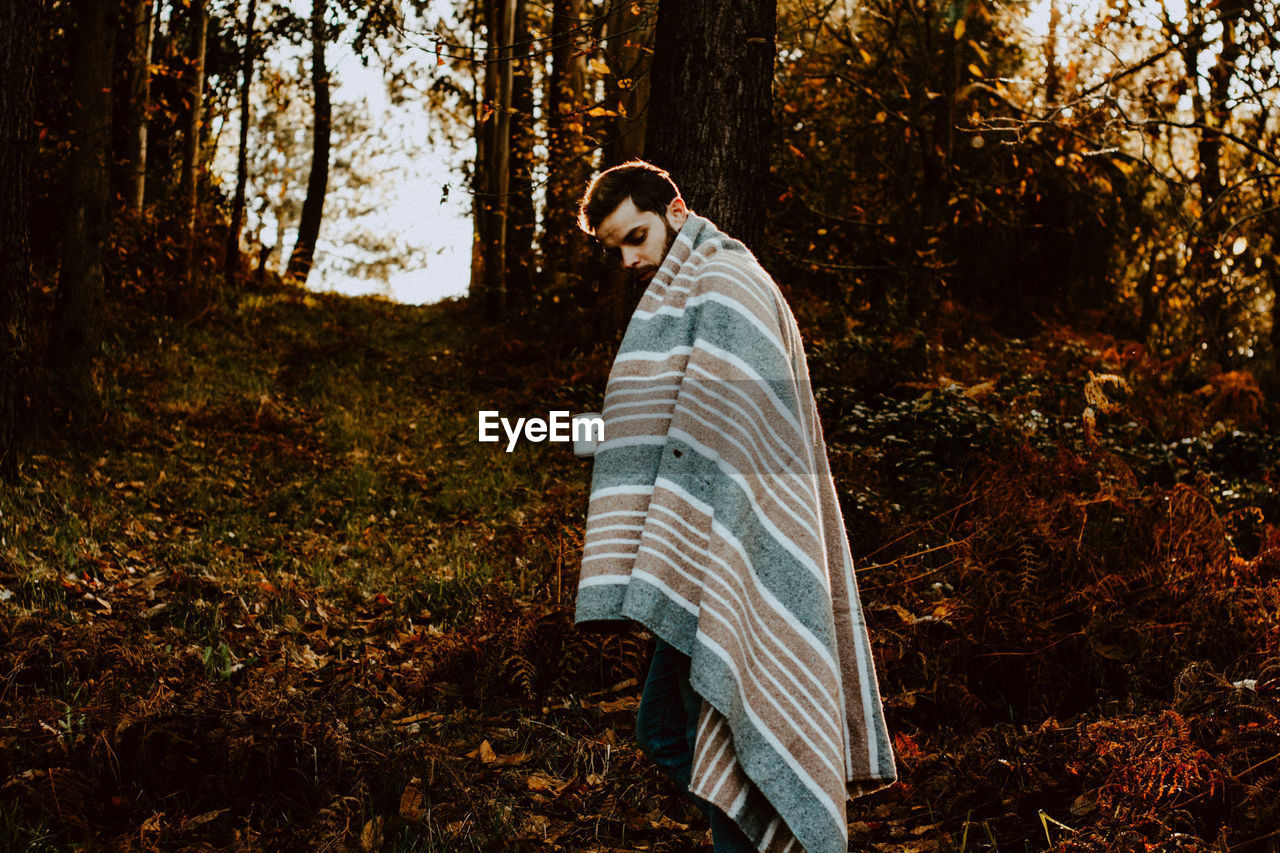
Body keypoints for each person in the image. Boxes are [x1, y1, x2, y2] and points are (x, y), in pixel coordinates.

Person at [573, 160, 897, 853]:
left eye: (636, 237)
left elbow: (734, 428)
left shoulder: (726, 284)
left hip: (738, 546)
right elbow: (669, 421)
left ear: (677, 210)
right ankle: (769, 821)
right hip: (701, 545)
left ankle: (761, 826)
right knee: (669, 727)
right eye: (617, 249)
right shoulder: (687, 289)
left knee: (711, 724)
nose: (631, 259)